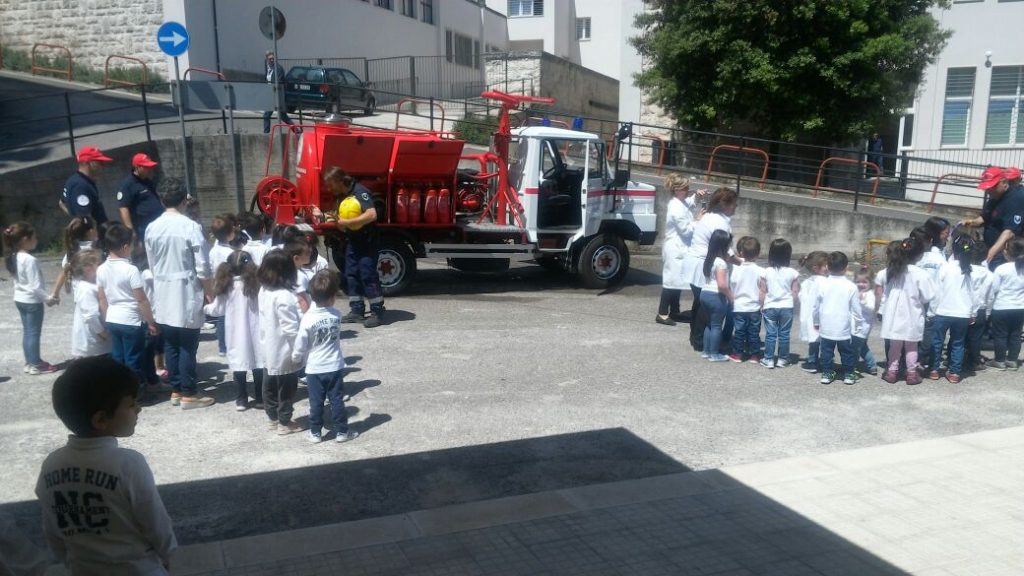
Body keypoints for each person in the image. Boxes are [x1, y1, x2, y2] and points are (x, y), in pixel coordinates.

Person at [35, 357, 177, 575]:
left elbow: (53, 529)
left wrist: (69, 562)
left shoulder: (51, 466)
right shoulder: (129, 464)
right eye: (131, 404)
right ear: (101, 419)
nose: (138, 409)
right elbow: (155, 522)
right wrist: (167, 554)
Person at [145, 177, 215, 409]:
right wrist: (210, 292)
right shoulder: (190, 227)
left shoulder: (152, 227)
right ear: (184, 200)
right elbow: (203, 266)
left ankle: (176, 389)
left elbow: (152, 263)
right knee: (187, 345)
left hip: (163, 289)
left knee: (171, 344)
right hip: (185, 288)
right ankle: (188, 392)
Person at [292, 270, 360, 444]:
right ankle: (342, 432)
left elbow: (301, 342)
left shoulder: (307, 319)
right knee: (336, 400)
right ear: (332, 297)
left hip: (314, 368)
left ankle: (315, 432)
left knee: (316, 402)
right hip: (334, 366)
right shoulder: (336, 315)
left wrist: (297, 357)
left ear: (312, 297)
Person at [97, 223, 159, 397]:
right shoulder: (131, 270)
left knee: (118, 357)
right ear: (125, 247)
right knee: (133, 359)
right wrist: (151, 321)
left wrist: (107, 317)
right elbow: (141, 299)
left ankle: (119, 390)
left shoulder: (101, 269)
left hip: (113, 318)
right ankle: (137, 392)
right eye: (131, 244)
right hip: (131, 320)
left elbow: (102, 298)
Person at [324, 167, 385, 328]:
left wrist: (348, 223)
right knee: (351, 273)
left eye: (331, 184)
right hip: (353, 241)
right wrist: (333, 220)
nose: (329, 188)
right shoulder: (342, 196)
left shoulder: (360, 191)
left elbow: (372, 214)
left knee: (367, 274)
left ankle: (377, 311)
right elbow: (343, 226)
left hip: (368, 240)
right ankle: (357, 310)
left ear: (339, 181)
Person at [680, 187, 739, 350]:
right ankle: (699, 341)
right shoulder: (721, 222)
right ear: (725, 205)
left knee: (699, 302)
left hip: (694, 262)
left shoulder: (709, 216)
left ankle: (696, 338)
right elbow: (726, 251)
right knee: (706, 305)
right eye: (734, 204)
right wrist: (742, 262)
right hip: (703, 265)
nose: (735, 207)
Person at [205, 250, 264, 411]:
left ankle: (241, 399)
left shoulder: (227, 286)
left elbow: (217, 310)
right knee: (258, 363)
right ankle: (260, 398)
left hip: (235, 333)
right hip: (255, 330)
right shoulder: (257, 284)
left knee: (239, 364)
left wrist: (205, 308)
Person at [257, 249, 303, 435]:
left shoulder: (264, 290)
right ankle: (285, 422)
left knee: (268, 383)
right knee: (287, 388)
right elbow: (290, 329)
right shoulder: (284, 295)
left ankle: (273, 418)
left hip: (267, 346)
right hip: (285, 350)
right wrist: (299, 351)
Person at [4, 222, 59, 375]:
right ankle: (35, 363)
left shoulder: (14, 257)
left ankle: (30, 361)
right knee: (33, 332)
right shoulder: (30, 260)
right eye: (34, 237)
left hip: (20, 299)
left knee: (28, 332)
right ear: (24, 239)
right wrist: (49, 299)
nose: (36, 239)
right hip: (32, 302)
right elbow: (35, 287)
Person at [878, 236, 935, 385]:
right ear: (919, 255)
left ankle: (891, 371)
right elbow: (928, 296)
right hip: (912, 316)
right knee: (911, 347)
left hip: (893, 316)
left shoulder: (891, 271)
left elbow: (885, 292)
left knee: (894, 347)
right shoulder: (921, 274)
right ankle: (911, 373)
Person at [929, 237, 979, 383]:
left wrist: (932, 311)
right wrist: (973, 313)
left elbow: (936, 291)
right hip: (962, 314)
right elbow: (975, 295)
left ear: (954, 250)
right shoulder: (972, 271)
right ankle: (955, 373)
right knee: (958, 343)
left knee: (937, 341)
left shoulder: (945, 267)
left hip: (943, 311)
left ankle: (933, 370)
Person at [656, 174, 704, 325]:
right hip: (675, 248)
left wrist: (696, 196)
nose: (688, 190)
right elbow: (686, 230)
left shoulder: (680, 202)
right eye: (685, 188)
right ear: (677, 190)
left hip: (680, 247)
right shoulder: (675, 207)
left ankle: (675, 311)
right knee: (671, 281)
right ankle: (662, 313)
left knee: (677, 281)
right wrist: (698, 220)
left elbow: (688, 204)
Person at [813, 252, 862, 385]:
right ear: (846, 268)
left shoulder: (822, 284)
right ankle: (848, 374)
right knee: (847, 352)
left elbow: (816, 306)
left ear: (828, 267)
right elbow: (857, 309)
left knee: (826, 352)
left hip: (826, 326)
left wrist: (816, 321)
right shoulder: (851, 286)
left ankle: (827, 373)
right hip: (844, 327)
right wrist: (858, 325)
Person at [960, 166, 1024, 269]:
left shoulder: (1017, 198)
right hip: (988, 247)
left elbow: (1009, 232)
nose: (988, 191)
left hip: (1004, 253)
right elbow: (984, 218)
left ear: (1003, 182)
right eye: (987, 188)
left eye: (991, 187)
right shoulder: (995, 197)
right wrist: (970, 222)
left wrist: (992, 251)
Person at [759, 238, 799, 369]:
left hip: (770, 306)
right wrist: (790, 303)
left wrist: (761, 305)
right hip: (786, 307)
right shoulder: (793, 273)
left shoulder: (766, 272)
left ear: (771, 253)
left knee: (770, 334)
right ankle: (783, 359)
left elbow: (763, 291)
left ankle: (768, 359)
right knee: (784, 334)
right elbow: (795, 292)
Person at [988, 237, 1024, 370]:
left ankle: (1000, 360)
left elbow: (995, 289)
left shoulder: (1001, 269)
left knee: (1000, 335)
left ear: (1008, 252)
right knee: (1016, 334)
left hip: (1002, 307)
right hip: (1020, 308)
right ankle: (1012, 360)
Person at [69, 249, 111, 359]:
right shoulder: (86, 288)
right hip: (94, 343)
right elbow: (91, 316)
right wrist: (103, 334)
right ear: (88, 268)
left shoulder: (91, 284)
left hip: (95, 343)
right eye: (99, 264)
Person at [700, 230, 734, 362]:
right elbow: (722, 285)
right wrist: (731, 297)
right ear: (722, 246)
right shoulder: (721, 263)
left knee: (709, 324)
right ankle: (714, 353)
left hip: (705, 293)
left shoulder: (710, 260)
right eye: (728, 245)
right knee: (716, 326)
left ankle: (706, 351)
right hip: (716, 296)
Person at [728, 236, 764, 363]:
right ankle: (755, 355)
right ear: (758, 254)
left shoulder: (736, 269)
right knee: (754, 332)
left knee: (739, 332)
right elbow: (763, 289)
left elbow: (732, 284)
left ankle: (737, 354)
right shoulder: (761, 271)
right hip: (754, 307)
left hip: (739, 305)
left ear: (741, 253)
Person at [208, 214, 239, 356]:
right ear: (229, 233)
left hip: (217, 282)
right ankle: (230, 343)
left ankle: (222, 346)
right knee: (231, 315)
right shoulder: (231, 252)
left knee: (221, 314)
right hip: (231, 284)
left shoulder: (213, 250)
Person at [49, 216, 99, 305]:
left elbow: (64, 272)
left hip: (79, 299)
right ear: (91, 231)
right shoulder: (96, 251)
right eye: (96, 228)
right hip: (96, 298)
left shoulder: (71, 252)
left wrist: (55, 293)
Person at [117, 153, 164, 243]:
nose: (149, 169)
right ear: (137, 167)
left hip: (157, 223)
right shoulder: (128, 185)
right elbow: (123, 208)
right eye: (146, 167)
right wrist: (131, 231)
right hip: (143, 226)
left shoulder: (147, 181)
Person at [61, 146, 112, 225]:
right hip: (94, 235)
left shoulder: (77, 180)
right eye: (100, 162)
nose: (103, 166)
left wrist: (74, 217)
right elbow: (85, 218)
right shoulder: (80, 186)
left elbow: (61, 203)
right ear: (87, 162)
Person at [966, 239, 995, 373]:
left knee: (960, 336)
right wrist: (988, 312)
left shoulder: (966, 271)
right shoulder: (990, 275)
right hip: (982, 310)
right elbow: (990, 297)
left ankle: (954, 358)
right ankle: (974, 361)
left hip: (965, 308)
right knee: (976, 337)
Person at [798, 251, 829, 373]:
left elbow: (801, 297)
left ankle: (812, 361)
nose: (828, 267)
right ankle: (824, 361)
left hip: (808, 315)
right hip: (820, 315)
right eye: (826, 265)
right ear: (816, 268)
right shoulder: (825, 282)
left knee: (813, 340)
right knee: (824, 341)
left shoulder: (806, 282)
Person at [852, 268, 877, 376]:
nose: (861, 284)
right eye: (858, 281)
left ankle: (851, 366)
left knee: (855, 348)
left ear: (870, 283)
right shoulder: (856, 292)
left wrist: (863, 301)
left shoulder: (870, 294)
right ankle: (872, 366)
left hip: (863, 326)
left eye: (864, 282)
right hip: (856, 325)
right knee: (862, 347)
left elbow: (872, 308)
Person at [262, 50, 293, 134]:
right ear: (266, 59)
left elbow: (279, 82)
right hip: (270, 94)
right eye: (270, 59)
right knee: (283, 116)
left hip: (277, 94)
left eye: (273, 58)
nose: (272, 60)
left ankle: (266, 134)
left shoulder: (278, 69)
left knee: (266, 115)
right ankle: (296, 130)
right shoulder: (268, 68)